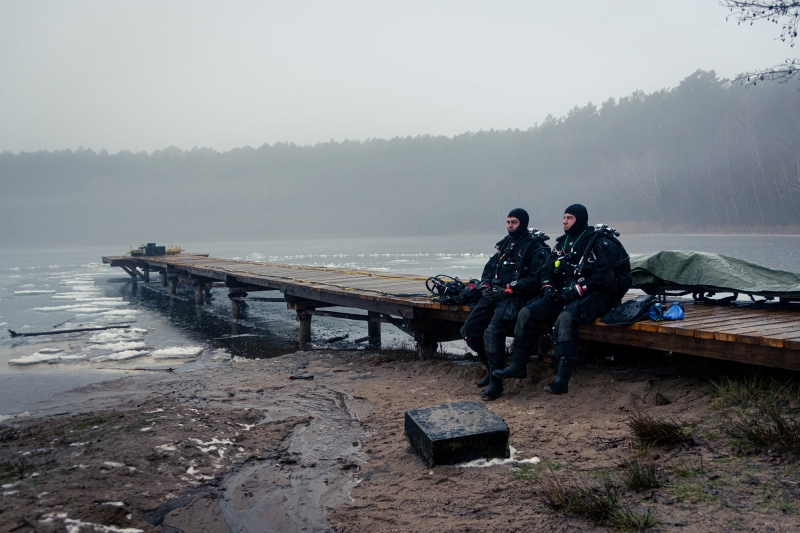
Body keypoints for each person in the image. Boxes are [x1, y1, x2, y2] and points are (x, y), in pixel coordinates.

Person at [494, 204, 631, 395]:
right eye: (564, 218)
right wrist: (548, 288)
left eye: (569, 218)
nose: (564, 222)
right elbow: (547, 270)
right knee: (526, 312)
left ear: (580, 219)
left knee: (566, 318)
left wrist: (575, 291)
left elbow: (604, 277)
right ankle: (518, 365)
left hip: (597, 296)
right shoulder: (562, 244)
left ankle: (562, 379)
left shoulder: (599, 243)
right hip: (566, 294)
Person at [460, 208, 551, 401]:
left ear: (523, 223)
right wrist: (485, 285)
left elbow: (537, 278)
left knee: (493, 331)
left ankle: (496, 382)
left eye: (514, 222)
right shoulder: (505, 245)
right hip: (494, 295)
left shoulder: (535, 247)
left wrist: (511, 288)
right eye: (508, 222)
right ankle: (491, 368)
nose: (510, 226)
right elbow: (489, 269)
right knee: (468, 331)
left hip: (515, 297)